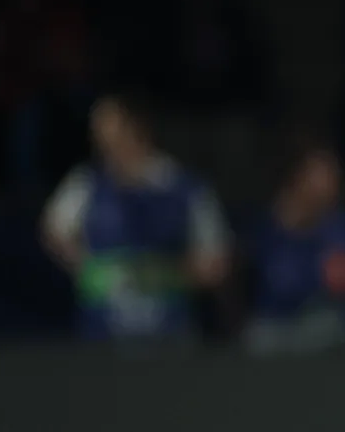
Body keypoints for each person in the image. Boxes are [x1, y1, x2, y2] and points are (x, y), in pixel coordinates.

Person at [40, 95, 231, 342]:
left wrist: (165, 275)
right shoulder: (86, 183)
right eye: (97, 129)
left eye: (111, 127)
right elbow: (53, 232)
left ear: (136, 126)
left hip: (168, 331)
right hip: (102, 331)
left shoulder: (184, 188)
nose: (103, 139)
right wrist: (90, 269)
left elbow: (217, 260)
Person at [242, 142, 345, 353]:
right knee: (258, 337)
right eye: (320, 177)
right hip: (272, 320)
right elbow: (264, 278)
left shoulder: (339, 225)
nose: (327, 186)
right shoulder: (271, 222)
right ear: (300, 178)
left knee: (335, 325)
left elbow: (341, 280)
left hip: (317, 317)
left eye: (332, 179)